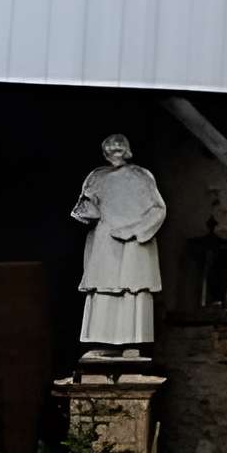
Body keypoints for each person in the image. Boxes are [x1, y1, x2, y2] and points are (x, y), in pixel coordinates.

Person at [69, 133, 166, 359]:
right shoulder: (96, 176)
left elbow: (158, 209)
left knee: (131, 288)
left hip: (132, 242)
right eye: (110, 147)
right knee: (103, 289)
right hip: (105, 240)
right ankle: (102, 342)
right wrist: (85, 211)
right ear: (104, 152)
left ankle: (132, 343)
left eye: (119, 146)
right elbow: (87, 207)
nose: (115, 150)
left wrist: (134, 230)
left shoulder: (141, 176)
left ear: (127, 150)